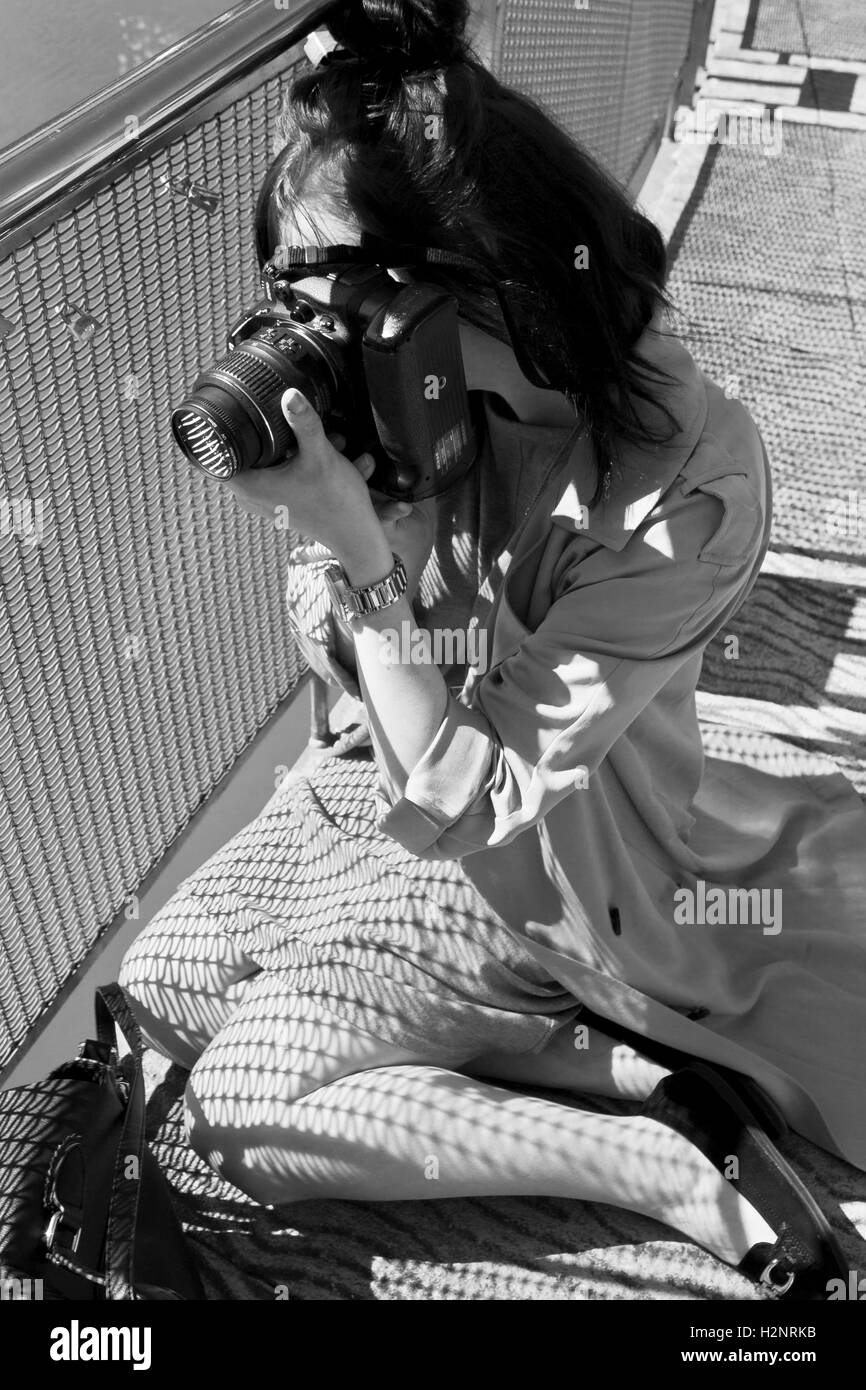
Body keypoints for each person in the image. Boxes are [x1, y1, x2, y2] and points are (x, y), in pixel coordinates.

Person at [119, 0, 866, 1299]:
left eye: (332, 297)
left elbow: (477, 797)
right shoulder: (421, 408)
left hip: (554, 867)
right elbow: (360, 692)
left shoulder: (683, 482)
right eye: (285, 299)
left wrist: (360, 550)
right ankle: (613, 1069)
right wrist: (371, 523)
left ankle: (671, 1160)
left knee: (243, 1096)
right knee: (155, 984)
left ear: (477, 269)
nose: (308, 339)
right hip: (391, 794)